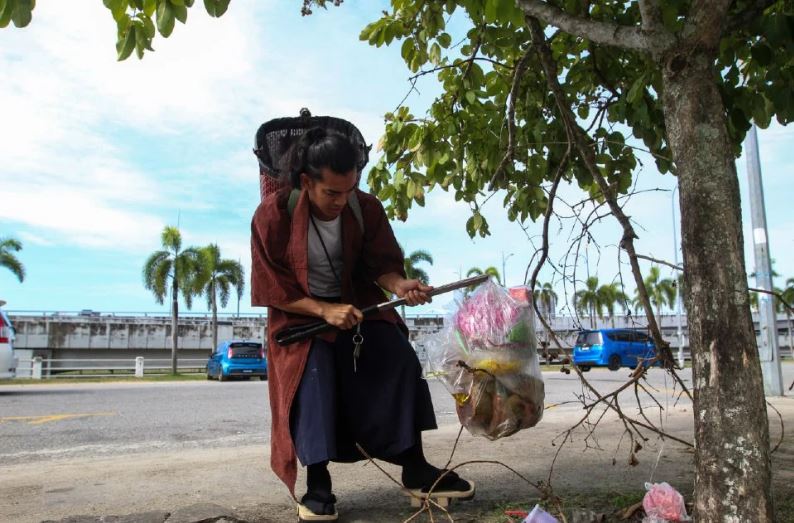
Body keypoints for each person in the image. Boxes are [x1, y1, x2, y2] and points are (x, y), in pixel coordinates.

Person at [250, 127, 474, 521]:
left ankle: (416, 468)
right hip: (299, 318)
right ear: (306, 182)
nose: (341, 201)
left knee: (399, 360)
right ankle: (318, 483)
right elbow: (272, 287)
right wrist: (323, 311)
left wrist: (400, 285)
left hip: (357, 307)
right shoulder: (273, 215)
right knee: (314, 373)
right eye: (331, 193)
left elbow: (381, 267)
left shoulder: (364, 207)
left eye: (348, 190)